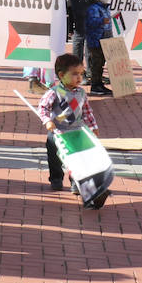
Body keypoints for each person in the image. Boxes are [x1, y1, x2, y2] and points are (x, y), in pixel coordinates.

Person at [37, 53, 98, 194]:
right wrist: (47, 121)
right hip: (57, 132)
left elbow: (87, 111)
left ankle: (76, 182)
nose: (79, 78)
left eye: (81, 74)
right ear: (61, 75)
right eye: (74, 74)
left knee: (77, 158)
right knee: (55, 158)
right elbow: (43, 107)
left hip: (76, 132)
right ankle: (56, 179)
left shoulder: (81, 93)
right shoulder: (54, 92)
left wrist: (93, 126)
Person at [82, 0, 114, 96]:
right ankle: (95, 85)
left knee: (100, 64)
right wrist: (102, 20)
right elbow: (90, 22)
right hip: (96, 41)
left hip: (104, 40)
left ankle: (99, 83)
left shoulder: (104, 7)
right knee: (96, 63)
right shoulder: (93, 8)